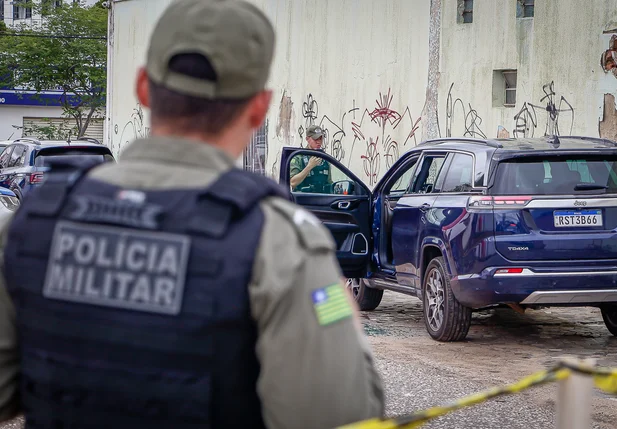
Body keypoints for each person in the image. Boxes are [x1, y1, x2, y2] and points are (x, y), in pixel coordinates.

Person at [0, 1, 384, 428]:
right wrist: (341, 315)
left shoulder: (31, 224)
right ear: (258, 109)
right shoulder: (280, 243)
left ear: (144, 86)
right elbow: (338, 416)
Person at [290, 124, 334, 193]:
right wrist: (309, 167)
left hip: (322, 200)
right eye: (315, 139)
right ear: (307, 139)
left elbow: (329, 183)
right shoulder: (299, 158)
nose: (319, 142)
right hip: (304, 201)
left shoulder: (324, 159)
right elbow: (292, 183)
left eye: (320, 138)